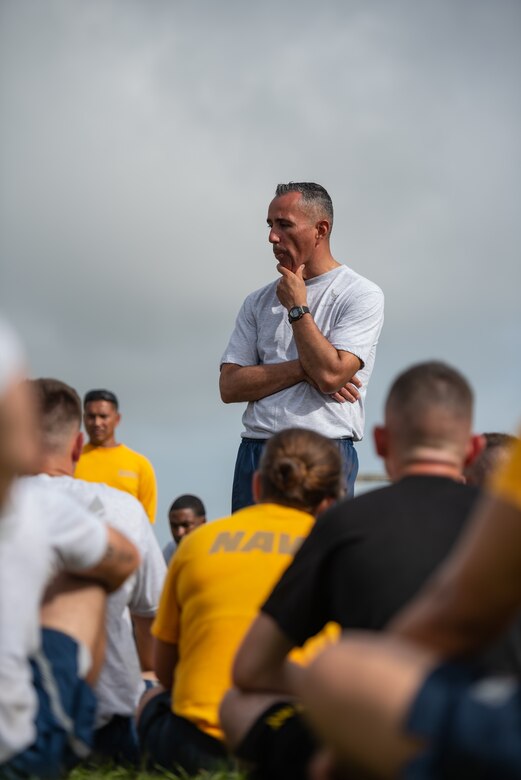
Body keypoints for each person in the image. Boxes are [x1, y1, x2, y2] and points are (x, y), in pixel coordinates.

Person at [222, 362, 521, 779]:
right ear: (472, 450)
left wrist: (341, 691)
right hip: (499, 719)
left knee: (239, 702)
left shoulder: (343, 523)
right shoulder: (503, 527)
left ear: (380, 441)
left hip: (396, 733)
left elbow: (252, 668)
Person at [298, 430, 521, 779]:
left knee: (334, 668)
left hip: (492, 724)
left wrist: (371, 677)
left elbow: (464, 613)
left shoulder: (349, 524)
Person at [136, 428, 344, 776]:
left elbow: (165, 672)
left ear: (258, 485)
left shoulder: (195, 545)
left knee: (149, 700)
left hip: (197, 746)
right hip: (294, 742)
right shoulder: (334, 551)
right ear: (328, 501)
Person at [0, 320, 140, 778]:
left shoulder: (134, 467)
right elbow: (125, 562)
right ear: (78, 443)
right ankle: (78, 730)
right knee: (87, 578)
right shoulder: (45, 505)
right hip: (19, 751)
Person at [220, 182, 384, 512]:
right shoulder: (256, 302)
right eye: (270, 225)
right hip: (257, 449)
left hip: (324, 448)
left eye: (284, 225)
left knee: (316, 560)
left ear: (320, 230)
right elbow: (230, 386)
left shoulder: (361, 294)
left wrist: (298, 308)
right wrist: (305, 368)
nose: (272, 237)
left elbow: (329, 375)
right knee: (254, 562)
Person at [27, 378, 166, 765]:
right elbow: (149, 612)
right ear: (76, 445)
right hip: (106, 721)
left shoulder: (137, 467)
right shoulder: (121, 510)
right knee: (91, 588)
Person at [75, 388, 157, 523]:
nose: (97, 423)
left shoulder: (139, 464)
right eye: (91, 416)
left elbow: (146, 521)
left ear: (117, 419)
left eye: (103, 416)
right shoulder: (71, 460)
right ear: (84, 419)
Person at [162, 494, 207, 564]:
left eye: (186, 525)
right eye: (174, 526)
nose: (179, 532)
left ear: (203, 523)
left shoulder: (219, 551)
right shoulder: (169, 552)